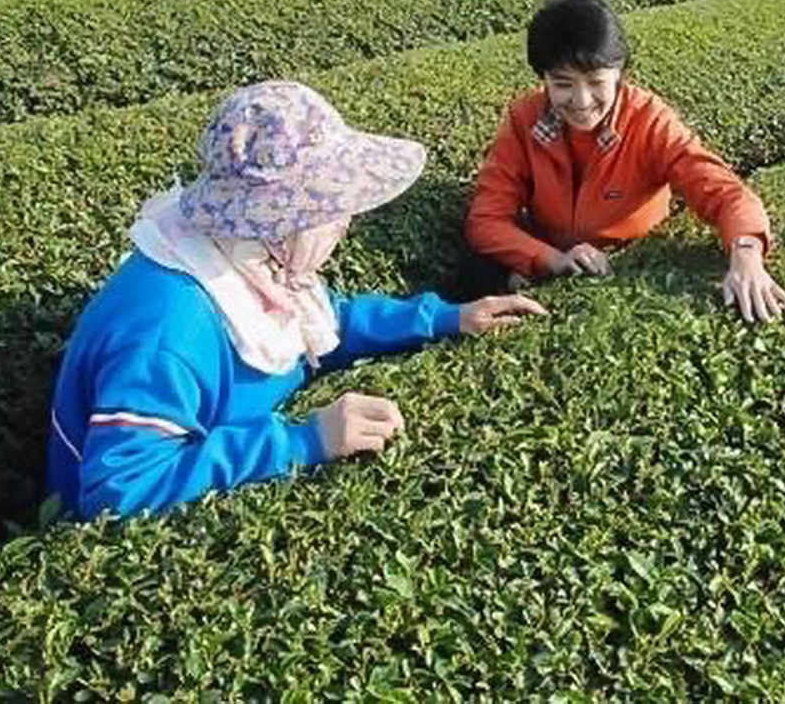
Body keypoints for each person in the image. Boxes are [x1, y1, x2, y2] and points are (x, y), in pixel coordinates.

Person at [45, 81, 546, 520]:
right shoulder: (170, 327)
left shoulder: (253, 264)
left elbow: (329, 324)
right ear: (281, 222)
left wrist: (448, 317)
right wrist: (305, 441)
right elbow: (120, 490)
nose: (346, 221)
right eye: (331, 207)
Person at [464, 0, 785, 323]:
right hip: (549, 255)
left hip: (627, 260)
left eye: (596, 82)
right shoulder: (524, 119)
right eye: (563, 83)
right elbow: (486, 219)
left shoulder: (648, 120)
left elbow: (723, 191)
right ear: (544, 78)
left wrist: (747, 256)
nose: (581, 101)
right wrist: (551, 259)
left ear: (619, 73)